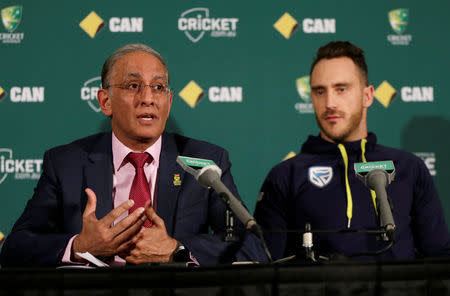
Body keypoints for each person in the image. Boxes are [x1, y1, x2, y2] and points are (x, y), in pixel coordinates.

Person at [0, 44, 265, 267]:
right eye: (133, 85)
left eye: (158, 87)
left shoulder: (206, 161)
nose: (148, 97)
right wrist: (80, 246)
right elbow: (15, 248)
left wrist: (176, 249)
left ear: (169, 102)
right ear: (105, 101)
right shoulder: (65, 164)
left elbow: (252, 246)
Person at [254, 41, 450, 260]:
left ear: (367, 95)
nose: (330, 103)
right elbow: (266, 269)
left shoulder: (409, 167)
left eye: (341, 89)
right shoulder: (285, 175)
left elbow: (439, 260)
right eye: (320, 91)